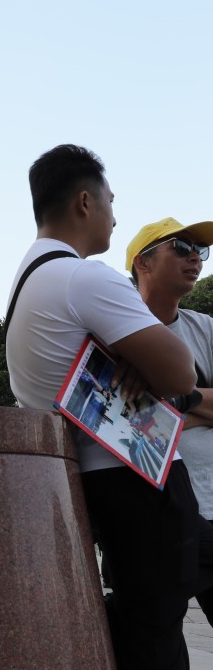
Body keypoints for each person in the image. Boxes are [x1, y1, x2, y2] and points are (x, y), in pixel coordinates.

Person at [5, 145, 206, 670]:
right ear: (86, 202)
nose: (116, 215)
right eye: (112, 201)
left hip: (94, 484)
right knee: (155, 642)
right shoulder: (84, 278)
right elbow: (181, 372)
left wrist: (137, 359)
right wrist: (146, 362)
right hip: (141, 486)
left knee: (143, 632)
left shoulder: (27, 283)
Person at [128, 217, 213, 623]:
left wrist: (170, 398)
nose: (195, 257)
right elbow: (124, 424)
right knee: (157, 645)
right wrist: (202, 407)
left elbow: (145, 414)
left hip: (211, 504)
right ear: (143, 264)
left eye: (200, 250)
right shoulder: (117, 330)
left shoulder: (206, 328)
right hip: (154, 515)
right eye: (181, 247)